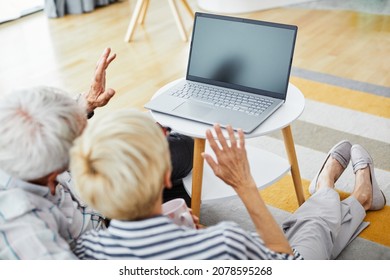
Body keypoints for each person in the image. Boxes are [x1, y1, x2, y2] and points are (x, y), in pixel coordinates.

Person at [70, 109, 386, 260]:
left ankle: (348, 196)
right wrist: (245, 187)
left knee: (296, 230)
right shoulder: (223, 243)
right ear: (167, 176)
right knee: (309, 229)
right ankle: (343, 192)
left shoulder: (87, 252)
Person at [0, 48, 193, 259]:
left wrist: (87, 102)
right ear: (59, 166)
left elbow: (40, 124)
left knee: (182, 151)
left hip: (95, 194)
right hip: (105, 232)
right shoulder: (28, 237)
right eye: (80, 137)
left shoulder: (18, 141)